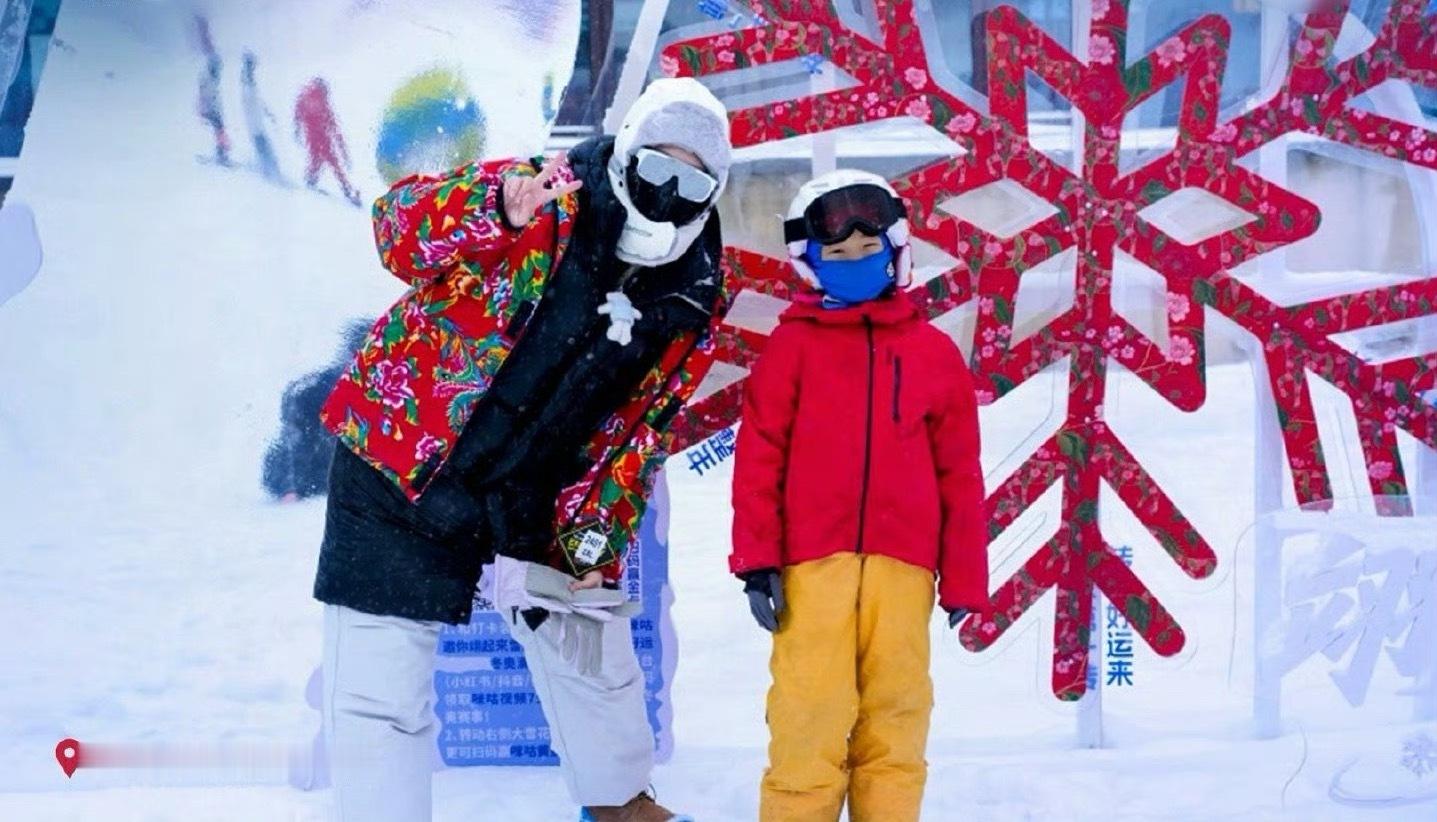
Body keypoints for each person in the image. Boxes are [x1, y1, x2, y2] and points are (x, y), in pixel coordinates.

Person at [313, 77, 732, 822]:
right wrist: (493, 207)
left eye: (692, 182)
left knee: (592, 648)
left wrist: (598, 535)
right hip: (404, 463)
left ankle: (619, 805)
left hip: (536, 493)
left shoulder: (693, 291)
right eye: (655, 167)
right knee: (379, 695)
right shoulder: (545, 194)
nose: (668, 193)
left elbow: (643, 431)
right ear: (625, 153)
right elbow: (395, 230)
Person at [729, 170, 990, 822]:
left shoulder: (931, 352)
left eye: (868, 249)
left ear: (895, 250)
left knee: (896, 714)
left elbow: (959, 474)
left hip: (904, 567)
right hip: (810, 565)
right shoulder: (791, 348)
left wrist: (963, 579)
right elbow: (759, 459)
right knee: (808, 711)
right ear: (811, 263)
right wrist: (757, 562)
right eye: (837, 253)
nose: (855, 262)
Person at [294, 77, 361, 206]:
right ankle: (346, 189)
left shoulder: (306, 97)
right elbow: (333, 127)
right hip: (320, 137)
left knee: (319, 160)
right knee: (331, 162)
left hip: (315, 137)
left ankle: (311, 178)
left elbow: (298, 112)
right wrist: (343, 151)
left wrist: (297, 127)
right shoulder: (320, 102)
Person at [240, 51, 282, 182]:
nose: (255, 68)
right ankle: (269, 172)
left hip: (257, 124)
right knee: (264, 149)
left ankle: (271, 171)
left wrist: (267, 112)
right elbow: (252, 101)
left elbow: (257, 100)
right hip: (255, 126)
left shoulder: (249, 84)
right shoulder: (247, 85)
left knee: (265, 148)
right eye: (253, 65)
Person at [196, 55, 229, 166]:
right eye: (217, 69)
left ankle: (221, 153)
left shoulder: (210, 79)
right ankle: (221, 155)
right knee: (220, 130)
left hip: (210, 109)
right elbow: (206, 96)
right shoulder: (209, 80)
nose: (218, 72)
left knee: (219, 131)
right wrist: (205, 111)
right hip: (209, 110)